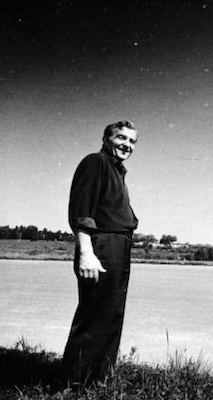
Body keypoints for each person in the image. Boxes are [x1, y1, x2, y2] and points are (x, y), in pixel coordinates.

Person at [62, 120, 139, 386]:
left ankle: (98, 381)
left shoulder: (117, 171)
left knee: (111, 316)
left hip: (118, 247)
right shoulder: (95, 163)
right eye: (121, 138)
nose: (127, 145)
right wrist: (86, 252)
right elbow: (81, 210)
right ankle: (73, 384)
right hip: (101, 247)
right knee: (94, 317)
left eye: (132, 141)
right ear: (106, 139)